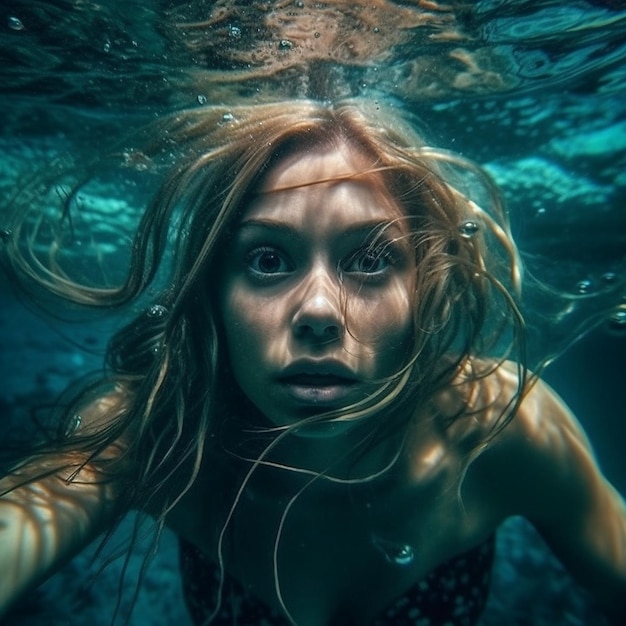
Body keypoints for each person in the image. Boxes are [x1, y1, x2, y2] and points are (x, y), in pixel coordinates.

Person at [0, 100, 624, 626]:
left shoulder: (501, 425)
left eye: (371, 259)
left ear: (424, 288)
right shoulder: (158, 428)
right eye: (268, 260)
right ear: (212, 296)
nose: (320, 310)